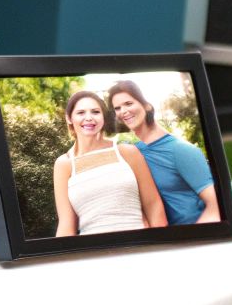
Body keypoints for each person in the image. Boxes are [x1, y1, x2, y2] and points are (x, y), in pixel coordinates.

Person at [52, 90, 166, 236]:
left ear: (103, 117)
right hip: (94, 253)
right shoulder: (64, 164)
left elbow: (153, 206)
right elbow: (67, 225)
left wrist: (159, 246)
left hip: (139, 245)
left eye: (95, 112)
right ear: (69, 118)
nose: (89, 118)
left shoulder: (127, 152)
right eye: (81, 113)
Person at [107, 80, 220, 225]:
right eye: (117, 108)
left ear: (146, 105)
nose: (123, 111)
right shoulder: (134, 152)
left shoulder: (181, 150)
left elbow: (215, 207)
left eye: (129, 104)